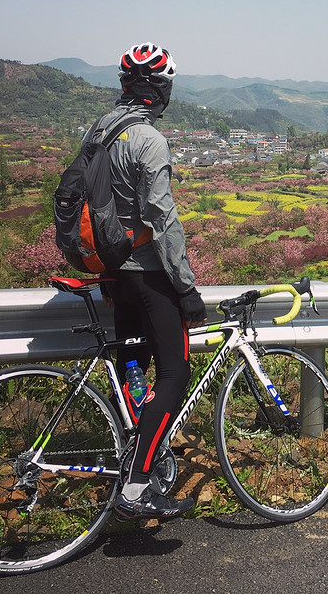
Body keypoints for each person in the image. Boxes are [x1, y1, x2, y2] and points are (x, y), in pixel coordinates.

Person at [92, 42, 207, 520]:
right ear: (160, 91)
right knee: (175, 373)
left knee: (133, 368)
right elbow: (162, 216)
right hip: (148, 275)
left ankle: (141, 459)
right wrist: (186, 286)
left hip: (113, 271)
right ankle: (137, 489)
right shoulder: (148, 140)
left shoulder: (100, 129)